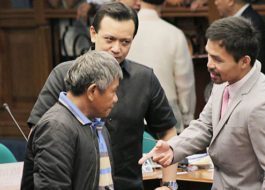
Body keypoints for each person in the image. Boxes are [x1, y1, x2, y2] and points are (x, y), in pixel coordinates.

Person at [27, 2, 178, 190]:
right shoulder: (65, 74)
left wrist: (169, 184)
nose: (116, 48)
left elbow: (167, 131)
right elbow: (40, 133)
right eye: (109, 39)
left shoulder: (144, 79)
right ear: (93, 33)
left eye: (125, 42)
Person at [139, 16, 265, 189]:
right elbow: (205, 126)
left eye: (218, 60)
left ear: (244, 61)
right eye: (209, 55)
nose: (209, 65)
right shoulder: (224, 80)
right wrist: (173, 148)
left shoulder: (263, 106)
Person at [21, 50, 123, 190]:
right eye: (113, 91)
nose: (116, 99)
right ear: (92, 91)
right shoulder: (56, 128)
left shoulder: (97, 124)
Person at [127, 0, 196, 133]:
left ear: (138, 1)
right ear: (164, 3)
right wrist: (187, 116)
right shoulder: (175, 34)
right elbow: (185, 84)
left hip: (128, 109)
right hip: (166, 112)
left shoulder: (126, 30)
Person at [214, 0, 265, 77]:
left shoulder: (249, 24)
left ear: (230, 1)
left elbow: (254, 65)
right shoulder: (244, 19)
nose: (216, 2)